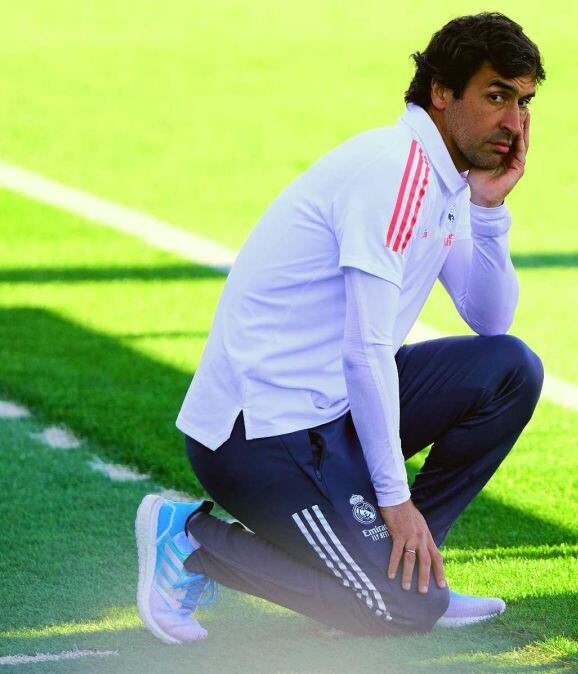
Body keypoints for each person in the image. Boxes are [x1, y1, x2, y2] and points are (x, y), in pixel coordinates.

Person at [133, 12, 546, 643]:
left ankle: (408, 567)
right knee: (400, 614)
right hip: (262, 432)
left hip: (330, 410)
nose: (513, 124)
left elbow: (490, 318)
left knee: (510, 369)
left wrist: (489, 210)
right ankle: (190, 540)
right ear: (441, 90)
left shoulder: (445, 178)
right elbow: (366, 349)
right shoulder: (394, 171)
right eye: (496, 97)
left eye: (523, 103)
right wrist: (395, 498)